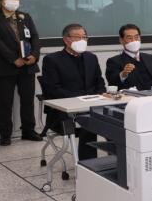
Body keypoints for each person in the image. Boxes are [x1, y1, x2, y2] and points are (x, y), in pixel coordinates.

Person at [0, 0, 42, 146]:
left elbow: (35, 37)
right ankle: (5, 135)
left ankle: (28, 131)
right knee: (5, 102)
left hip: (28, 65)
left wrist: (34, 56)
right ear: (0, 0)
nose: (14, 1)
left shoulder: (25, 16)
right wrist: (13, 59)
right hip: (6, 67)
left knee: (28, 101)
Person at [41, 24, 106, 160]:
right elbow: (53, 90)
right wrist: (81, 99)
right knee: (89, 121)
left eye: (84, 37)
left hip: (92, 105)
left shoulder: (91, 57)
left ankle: (117, 159)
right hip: (64, 112)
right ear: (66, 40)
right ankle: (88, 164)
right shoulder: (52, 60)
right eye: (78, 37)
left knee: (116, 120)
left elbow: (100, 83)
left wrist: (98, 96)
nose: (82, 41)